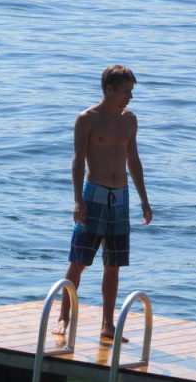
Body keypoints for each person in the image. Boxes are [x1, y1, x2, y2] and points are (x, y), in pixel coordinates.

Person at [53, 65, 154, 341]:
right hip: (93, 193)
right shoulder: (87, 119)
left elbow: (133, 160)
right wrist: (77, 200)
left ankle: (107, 325)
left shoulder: (129, 120)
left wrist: (144, 200)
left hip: (120, 196)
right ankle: (63, 315)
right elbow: (78, 160)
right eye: (125, 91)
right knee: (80, 259)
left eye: (131, 92)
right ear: (109, 89)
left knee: (114, 264)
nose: (129, 97)